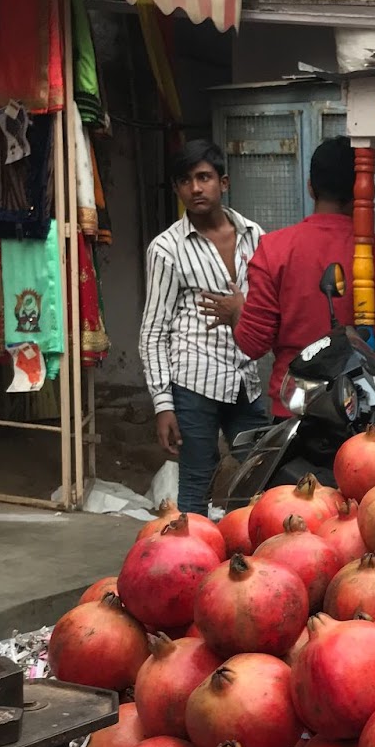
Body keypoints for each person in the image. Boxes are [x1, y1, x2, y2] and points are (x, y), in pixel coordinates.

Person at [221, 139, 375, 416]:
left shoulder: (273, 249)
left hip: (293, 411)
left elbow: (253, 345)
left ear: (310, 187)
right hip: (358, 410)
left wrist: (236, 311)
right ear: (363, 191)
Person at [138, 139, 266, 516]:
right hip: (195, 382)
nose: (195, 188)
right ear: (177, 189)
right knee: (196, 483)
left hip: (246, 379)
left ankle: (251, 565)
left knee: (258, 475)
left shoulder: (255, 236)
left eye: (204, 177)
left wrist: (243, 309)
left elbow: (268, 305)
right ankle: (192, 568)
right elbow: (153, 332)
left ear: (222, 182)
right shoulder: (166, 249)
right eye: (185, 181)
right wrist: (163, 405)